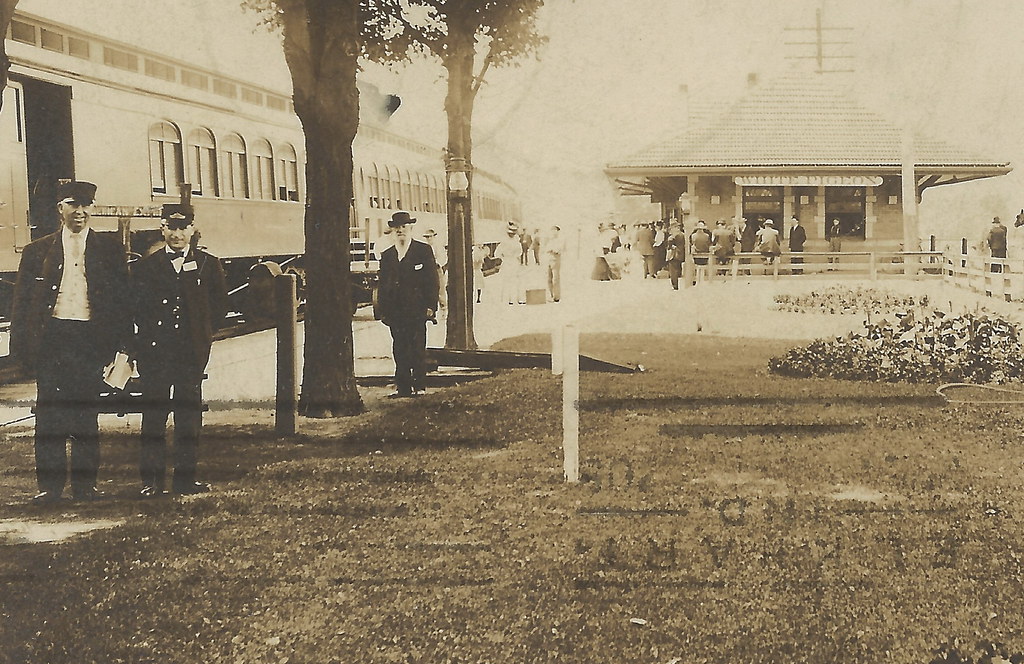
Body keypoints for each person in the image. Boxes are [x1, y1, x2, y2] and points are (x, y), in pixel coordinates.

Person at [10, 180, 130, 503]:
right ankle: (49, 487)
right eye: (72, 204)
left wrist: (120, 345)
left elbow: (123, 300)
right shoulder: (38, 251)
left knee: (84, 412)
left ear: (92, 208)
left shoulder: (110, 249)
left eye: (85, 205)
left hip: (89, 339)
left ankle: (84, 486)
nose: (79, 211)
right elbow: (22, 301)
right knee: (49, 412)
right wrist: (21, 346)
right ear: (59, 209)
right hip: (53, 339)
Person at [131, 204, 228, 497]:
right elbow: (137, 308)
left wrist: (201, 335)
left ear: (191, 230)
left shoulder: (209, 264)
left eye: (182, 228)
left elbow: (219, 307)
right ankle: (151, 481)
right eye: (170, 227)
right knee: (154, 417)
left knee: (188, 418)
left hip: (190, 355)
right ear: (162, 229)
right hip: (156, 354)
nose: (176, 234)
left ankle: (186, 479)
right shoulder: (147, 267)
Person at [377, 211, 439, 398]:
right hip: (396, 312)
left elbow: (432, 280)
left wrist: (431, 305)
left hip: (417, 309)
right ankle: (403, 387)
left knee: (417, 346)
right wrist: (383, 310)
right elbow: (383, 284)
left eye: (404, 227)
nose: (400, 231)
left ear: (410, 228)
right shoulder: (387, 256)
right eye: (397, 228)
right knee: (399, 348)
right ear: (393, 231)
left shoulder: (423, 251)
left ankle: (419, 385)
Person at [496, 221, 525, 303]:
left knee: (506, 281)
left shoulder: (504, 242)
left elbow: (497, 253)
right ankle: (514, 299)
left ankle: (506, 299)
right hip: (514, 262)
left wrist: (503, 257)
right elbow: (520, 252)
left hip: (507, 262)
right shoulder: (516, 242)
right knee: (514, 281)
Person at [422, 228, 447, 308]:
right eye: (427, 237)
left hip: (436, 270)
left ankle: (443, 308)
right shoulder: (424, 247)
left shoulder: (438, 246)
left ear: (434, 236)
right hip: (427, 271)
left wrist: (436, 263)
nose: (429, 239)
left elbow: (443, 258)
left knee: (440, 290)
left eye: (430, 237)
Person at [665, 221, 687, 290]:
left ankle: (675, 285)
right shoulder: (683, 235)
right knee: (678, 269)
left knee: (673, 271)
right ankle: (677, 283)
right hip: (680, 254)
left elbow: (669, 246)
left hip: (674, 254)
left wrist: (670, 246)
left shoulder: (673, 236)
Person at [544, 225, 563, 302]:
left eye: (555, 231)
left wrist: (552, 250)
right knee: (549, 279)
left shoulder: (560, 241)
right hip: (549, 260)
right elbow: (546, 249)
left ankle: (556, 296)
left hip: (555, 260)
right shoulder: (549, 241)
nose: (553, 233)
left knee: (555, 279)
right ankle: (551, 295)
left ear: (558, 232)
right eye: (552, 231)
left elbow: (558, 250)